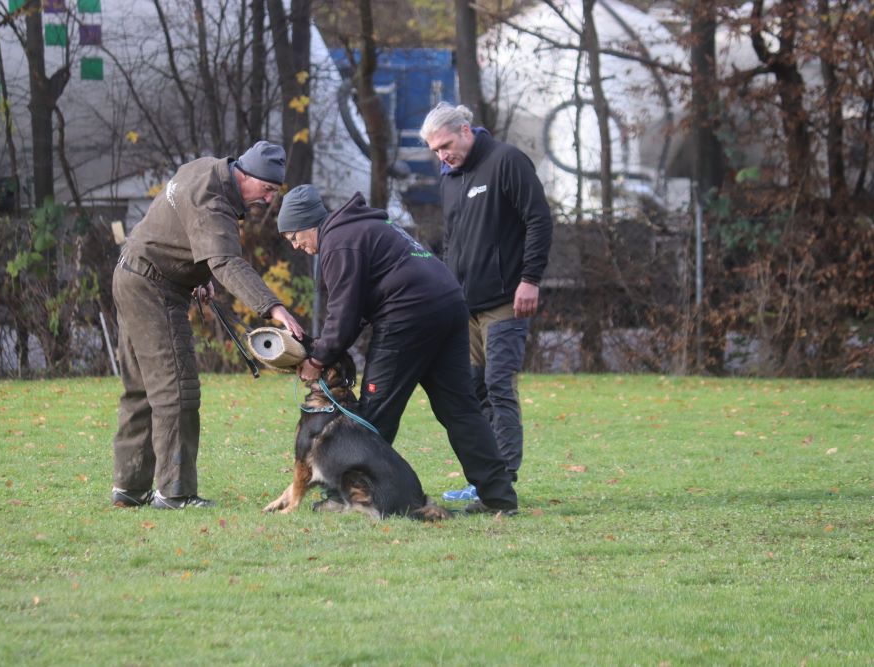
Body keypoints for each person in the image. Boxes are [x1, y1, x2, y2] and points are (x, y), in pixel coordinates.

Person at [277, 184, 518, 515]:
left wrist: (317, 359)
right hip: (449, 305)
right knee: (461, 408)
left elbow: (343, 314)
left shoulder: (338, 242)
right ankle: (499, 497)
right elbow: (358, 308)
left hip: (408, 316)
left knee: (374, 413)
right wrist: (325, 346)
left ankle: (349, 495)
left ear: (309, 222)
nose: (297, 245)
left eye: (294, 236)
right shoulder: (367, 226)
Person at [111, 141, 305, 510]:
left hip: (130, 272)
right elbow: (228, 262)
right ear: (245, 175)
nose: (267, 199)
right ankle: (175, 492)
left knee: (140, 389)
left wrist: (198, 270)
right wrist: (276, 310)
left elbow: (183, 230)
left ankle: (130, 488)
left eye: (274, 192)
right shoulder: (213, 201)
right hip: (155, 287)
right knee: (177, 391)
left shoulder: (205, 168)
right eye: (266, 189)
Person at [420, 102, 553, 502]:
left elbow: (539, 221)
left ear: (465, 129)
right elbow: (454, 242)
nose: (442, 156)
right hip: (465, 307)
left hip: (505, 301)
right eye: (435, 151)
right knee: (474, 390)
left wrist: (529, 280)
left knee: (498, 386)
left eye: (445, 145)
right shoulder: (450, 177)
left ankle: (502, 483)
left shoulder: (507, 161)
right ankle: (483, 480)